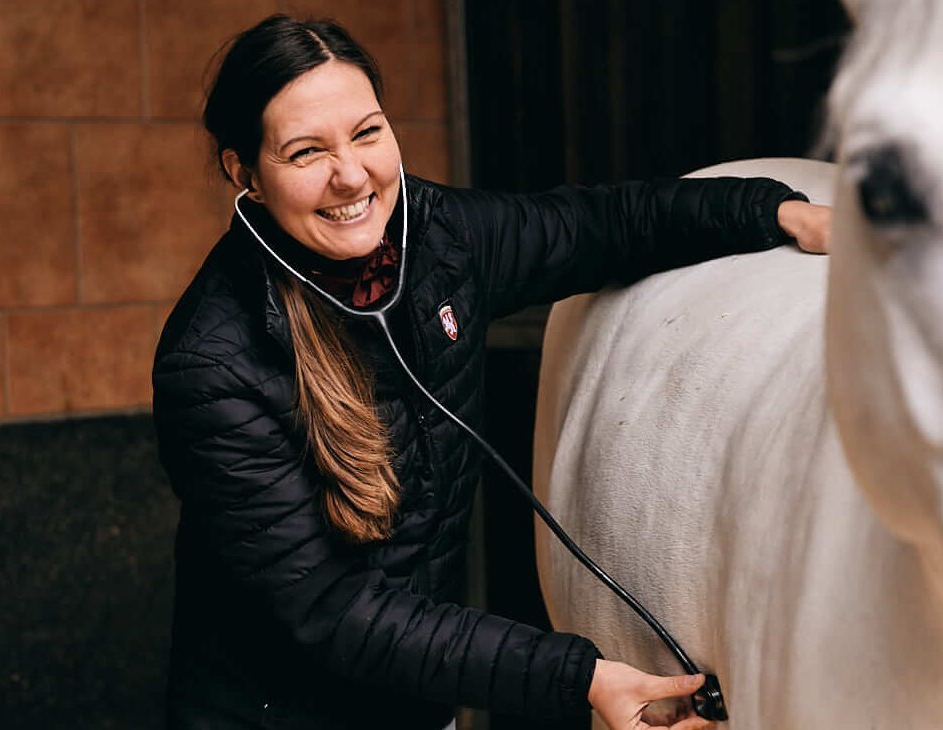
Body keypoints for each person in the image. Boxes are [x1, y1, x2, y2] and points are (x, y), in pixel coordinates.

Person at [153, 14, 831, 730]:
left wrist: (776, 211)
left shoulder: (438, 236)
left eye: (367, 132)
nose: (350, 173)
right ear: (244, 173)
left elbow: (599, 226)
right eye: (305, 151)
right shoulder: (212, 364)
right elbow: (334, 611)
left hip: (416, 703)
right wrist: (581, 681)